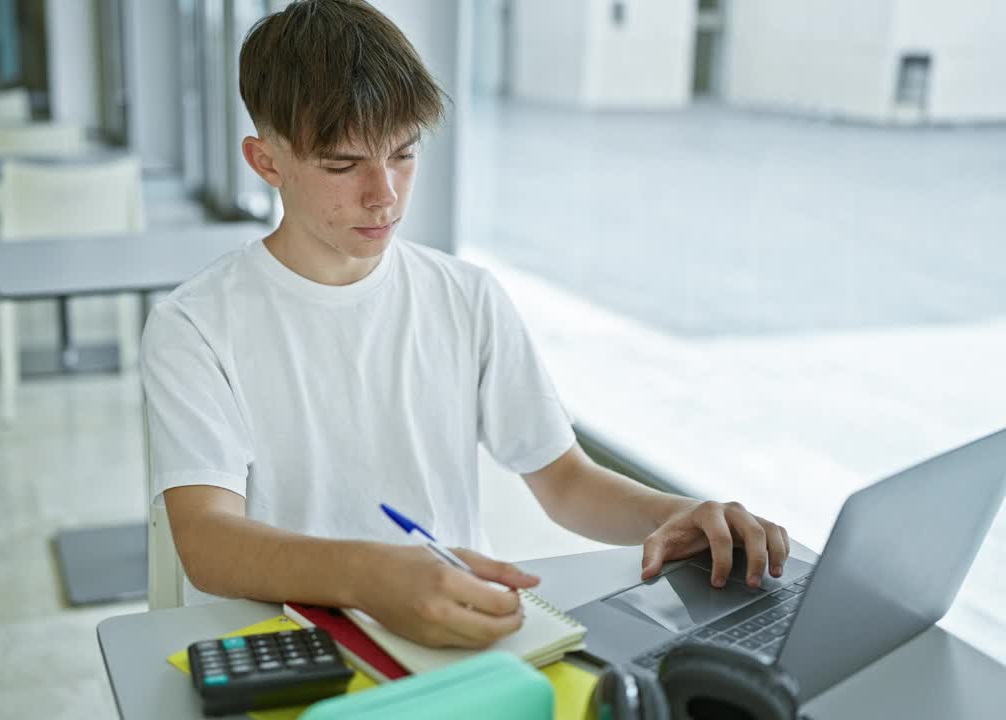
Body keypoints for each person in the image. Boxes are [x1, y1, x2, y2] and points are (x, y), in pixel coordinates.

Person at [140, 0, 789, 649]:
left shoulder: (465, 296)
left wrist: (678, 515)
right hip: (286, 644)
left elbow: (564, 480)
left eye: (403, 154)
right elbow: (207, 541)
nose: (384, 194)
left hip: (452, 633)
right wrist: (369, 575)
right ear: (265, 161)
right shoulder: (195, 325)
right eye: (343, 165)